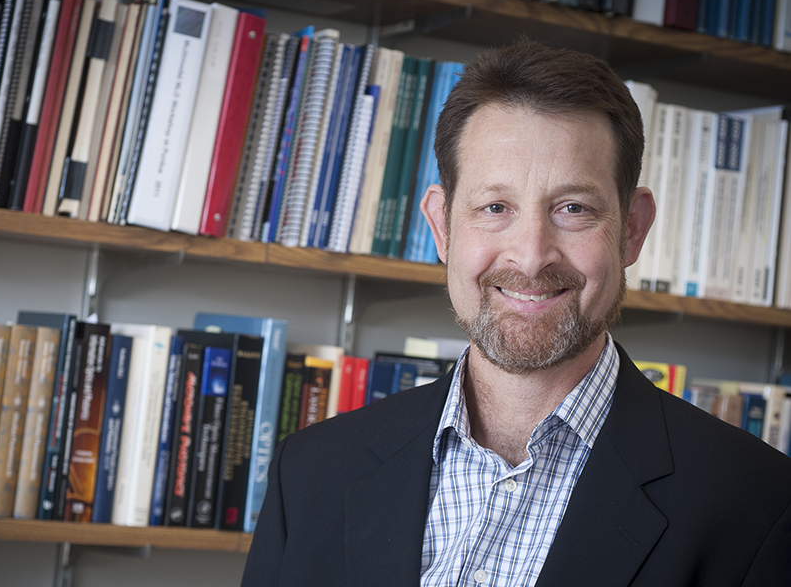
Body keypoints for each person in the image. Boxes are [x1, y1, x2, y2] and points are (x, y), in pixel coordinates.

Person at [240, 39, 791, 587]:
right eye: (495, 207)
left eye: (573, 208)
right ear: (442, 226)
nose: (530, 255)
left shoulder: (761, 504)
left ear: (632, 230)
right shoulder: (310, 473)